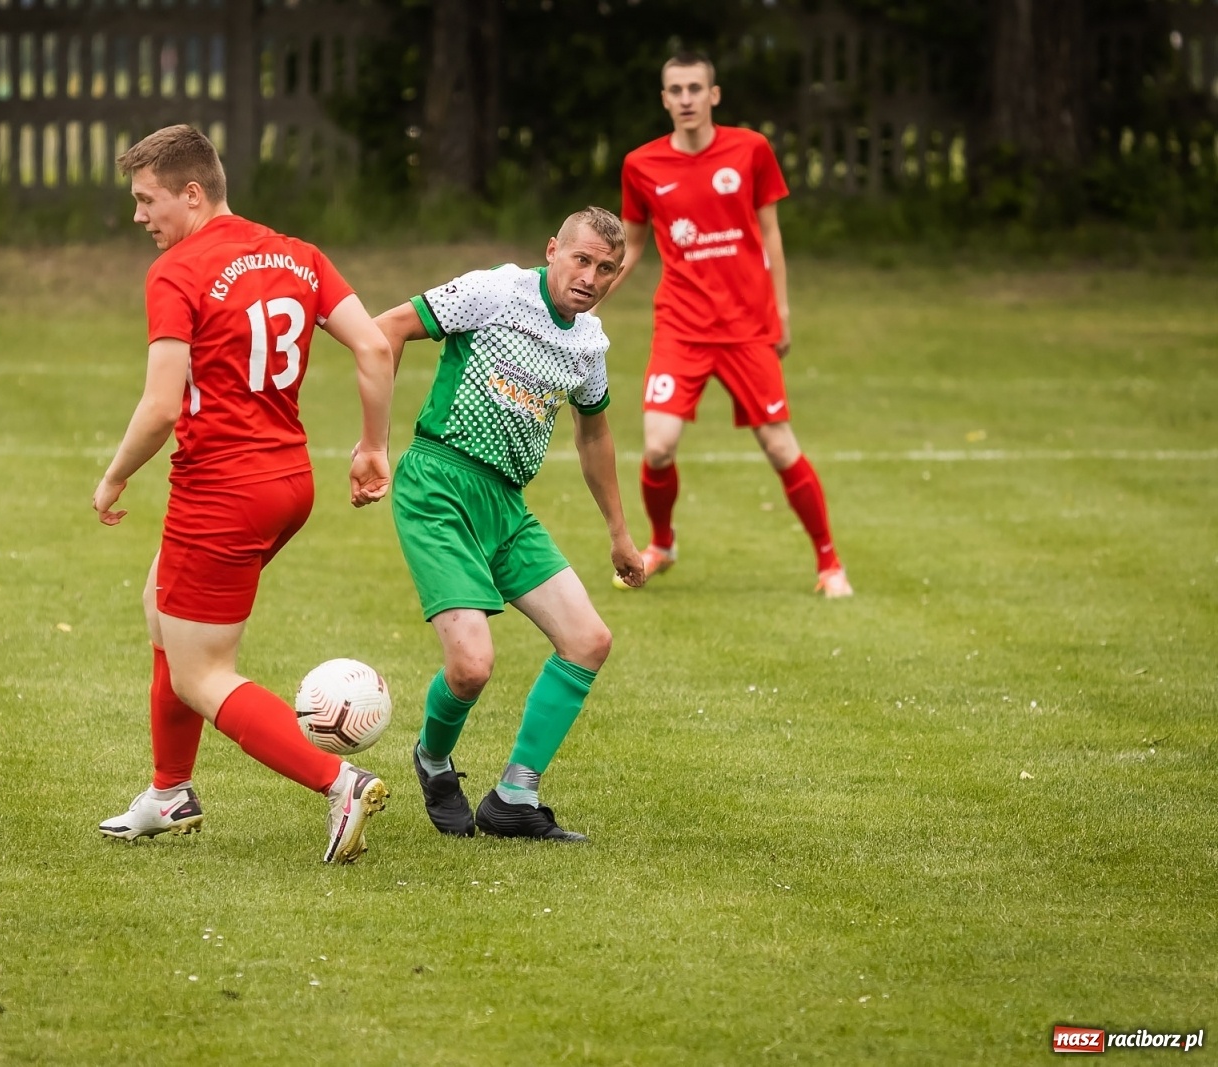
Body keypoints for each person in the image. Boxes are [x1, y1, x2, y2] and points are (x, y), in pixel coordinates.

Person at [92, 125, 397, 865]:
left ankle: (340, 782)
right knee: (159, 604)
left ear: (191, 193)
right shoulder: (298, 252)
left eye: (146, 199)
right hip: (288, 480)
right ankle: (170, 793)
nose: (140, 217)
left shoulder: (177, 271)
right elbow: (375, 345)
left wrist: (114, 473)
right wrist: (372, 444)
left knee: (203, 672)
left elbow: (162, 406)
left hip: (223, 489)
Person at [373, 207, 646, 843]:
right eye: (580, 259)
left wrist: (619, 533)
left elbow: (594, 432)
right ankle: (434, 761)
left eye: (606, 269)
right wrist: (372, 443)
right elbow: (387, 330)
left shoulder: (589, 345)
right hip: (438, 485)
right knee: (471, 667)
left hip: (506, 505)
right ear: (552, 250)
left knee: (589, 641)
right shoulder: (494, 292)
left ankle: (513, 798)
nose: (590, 277)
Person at [607, 50, 852, 597]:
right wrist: (588, 297)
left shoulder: (750, 150)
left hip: (745, 327)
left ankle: (829, 564)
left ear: (714, 95)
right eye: (677, 90)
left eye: (697, 88)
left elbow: (771, 236)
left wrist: (781, 311)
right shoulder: (641, 165)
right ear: (665, 99)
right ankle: (662, 545)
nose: (687, 98)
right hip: (680, 326)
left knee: (780, 447)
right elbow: (633, 247)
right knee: (658, 445)